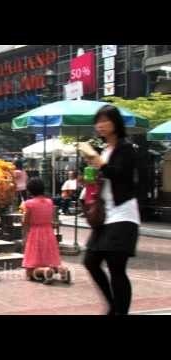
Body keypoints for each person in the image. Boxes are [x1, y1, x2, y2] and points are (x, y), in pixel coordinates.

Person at [83, 105, 140, 316]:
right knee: (91, 261)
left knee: (116, 266)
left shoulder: (126, 148)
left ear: (116, 123)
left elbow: (123, 176)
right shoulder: (104, 150)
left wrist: (101, 165)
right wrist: (90, 175)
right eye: (98, 121)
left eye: (105, 120)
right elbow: (104, 177)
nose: (100, 125)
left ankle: (119, 312)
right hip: (105, 213)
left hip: (123, 212)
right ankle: (113, 307)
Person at [22, 177, 71, 285]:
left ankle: (44, 271)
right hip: (48, 232)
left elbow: (26, 221)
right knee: (51, 260)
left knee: (29, 271)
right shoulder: (49, 202)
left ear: (30, 190)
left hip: (35, 233)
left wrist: (24, 235)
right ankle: (63, 270)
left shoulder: (29, 203)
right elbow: (51, 218)